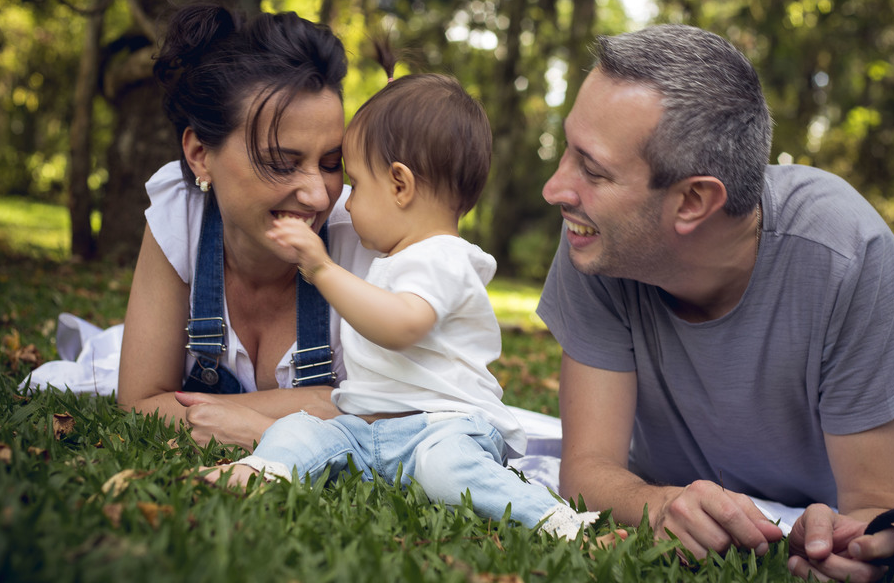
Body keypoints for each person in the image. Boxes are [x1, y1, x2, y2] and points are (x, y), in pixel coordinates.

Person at [537, 25, 894, 582]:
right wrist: (658, 505)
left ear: (694, 201)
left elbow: (881, 510)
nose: (556, 188)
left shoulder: (848, 256)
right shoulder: (598, 243)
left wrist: (857, 544)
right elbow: (587, 470)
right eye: (568, 151)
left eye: (593, 170)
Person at [201, 69, 601, 540]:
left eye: (357, 185)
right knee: (301, 430)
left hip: (446, 429)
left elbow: (400, 326)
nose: (347, 204)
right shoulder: (396, 259)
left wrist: (321, 268)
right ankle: (264, 469)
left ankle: (555, 519)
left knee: (446, 470)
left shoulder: (445, 258)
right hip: (368, 430)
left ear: (400, 185)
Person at [113, 2, 377, 449]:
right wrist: (316, 404)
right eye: (281, 163)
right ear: (200, 155)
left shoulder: (363, 239)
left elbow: (393, 415)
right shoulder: (181, 214)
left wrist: (253, 427)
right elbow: (139, 402)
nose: (318, 196)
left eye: (332, 163)